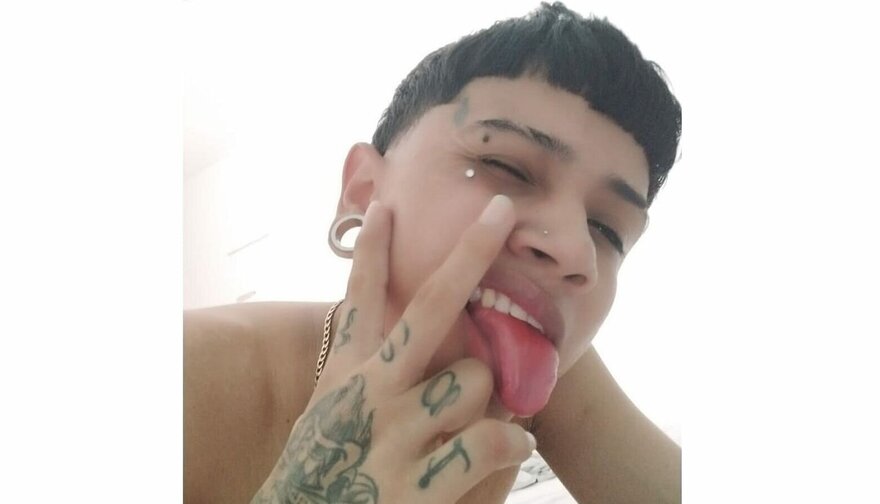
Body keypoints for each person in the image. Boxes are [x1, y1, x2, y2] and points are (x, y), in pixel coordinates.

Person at [184, 2, 682, 503]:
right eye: (506, 167)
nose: (577, 253)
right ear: (364, 191)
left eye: (607, 230)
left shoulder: (541, 377)